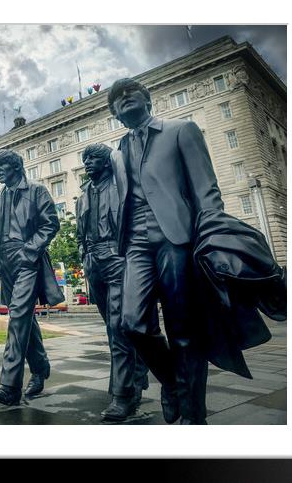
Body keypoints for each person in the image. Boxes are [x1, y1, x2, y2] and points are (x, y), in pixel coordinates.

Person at [108, 77, 224, 425]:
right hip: (136, 244)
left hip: (177, 238)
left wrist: (213, 236)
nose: (124, 97)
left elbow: (206, 190)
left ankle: (193, 417)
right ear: (114, 112)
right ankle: (173, 383)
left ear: (147, 98)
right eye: (116, 97)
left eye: (131, 91)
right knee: (132, 323)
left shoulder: (180, 130)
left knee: (184, 330)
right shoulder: (118, 151)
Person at [75, 143, 150, 421]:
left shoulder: (122, 186)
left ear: (107, 162)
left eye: (93, 159)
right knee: (114, 327)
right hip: (94, 263)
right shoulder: (83, 194)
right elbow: (81, 231)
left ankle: (123, 395)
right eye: (85, 160)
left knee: (119, 328)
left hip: (119, 259)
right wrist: (84, 253)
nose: (87, 164)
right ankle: (138, 372)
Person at [0, 150, 63, 406]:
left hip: (28, 259)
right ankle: (40, 368)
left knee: (18, 317)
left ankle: (10, 386)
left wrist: (29, 251)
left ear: (17, 166)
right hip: (6, 264)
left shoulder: (36, 190)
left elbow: (51, 224)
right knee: (24, 319)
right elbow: (2, 233)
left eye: (3, 165)